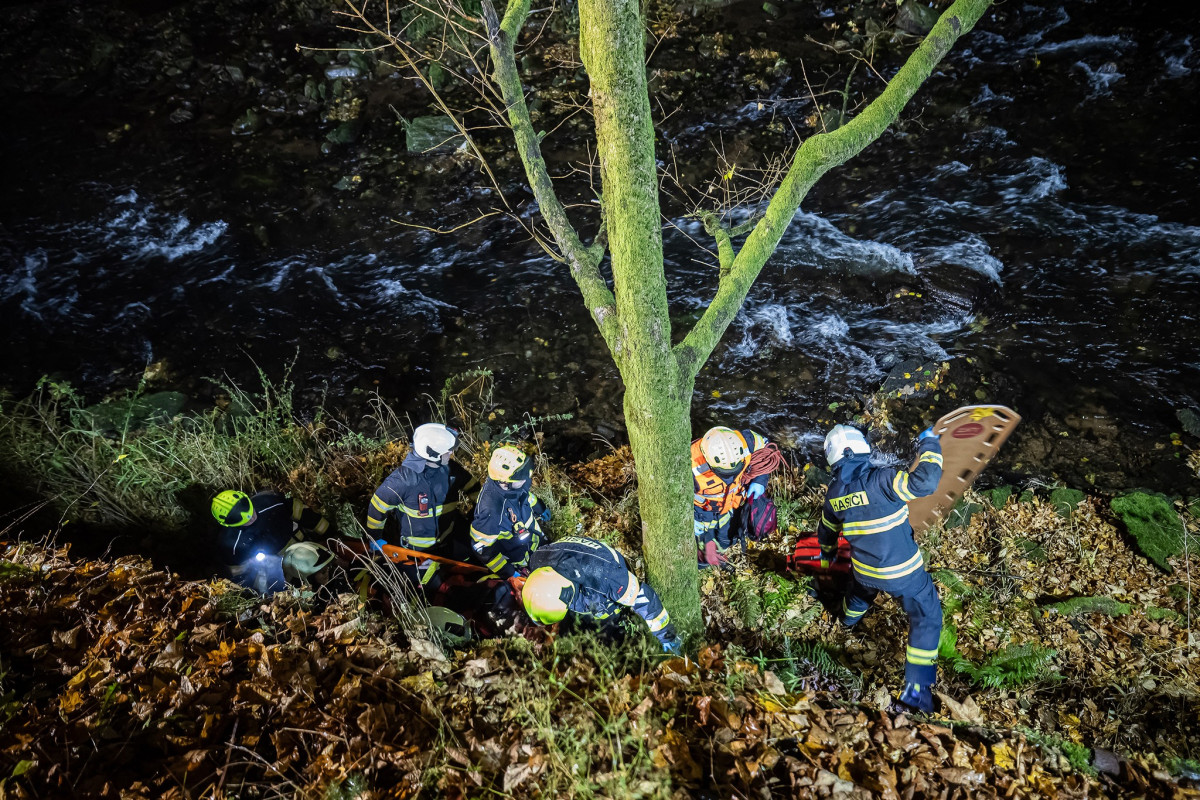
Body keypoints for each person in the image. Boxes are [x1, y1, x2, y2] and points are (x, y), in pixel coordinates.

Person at [816, 424, 944, 713]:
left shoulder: (835, 494)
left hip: (864, 572)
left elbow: (826, 534)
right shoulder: (884, 480)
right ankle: (917, 692)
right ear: (863, 449)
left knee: (859, 595)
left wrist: (827, 562)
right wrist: (930, 444)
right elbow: (925, 483)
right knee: (927, 614)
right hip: (904, 574)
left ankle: (847, 623)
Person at [521, 535, 681, 653]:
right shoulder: (538, 561)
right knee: (575, 626)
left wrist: (667, 635)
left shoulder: (606, 577)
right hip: (578, 573)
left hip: (608, 576)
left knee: (607, 626)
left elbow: (644, 598)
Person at [366, 422, 478, 589]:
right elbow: (377, 507)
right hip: (416, 552)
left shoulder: (452, 471)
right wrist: (375, 538)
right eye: (448, 451)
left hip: (447, 540)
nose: (452, 453)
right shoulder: (402, 480)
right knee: (428, 586)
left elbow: (474, 488)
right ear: (433, 454)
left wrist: (477, 516)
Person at [211, 489, 333, 594]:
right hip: (277, 570)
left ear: (246, 498)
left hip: (305, 545)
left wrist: (330, 534)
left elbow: (305, 515)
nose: (248, 516)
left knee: (323, 567)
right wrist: (254, 595)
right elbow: (239, 577)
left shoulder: (270, 502)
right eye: (236, 517)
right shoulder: (231, 545)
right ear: (227, 524)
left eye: (243, 505)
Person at [691, 425, 774, 566]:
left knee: (727, 538)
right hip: (703, 515)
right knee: (702, 553)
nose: (731, 478)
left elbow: (766, 448)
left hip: (731, 506)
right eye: (725, 474)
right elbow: (688, 509)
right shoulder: (691, 466)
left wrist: (760, 481)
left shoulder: (747, 441)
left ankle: (723, 545)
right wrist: (706, 540)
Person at [470, 445, 548, 590]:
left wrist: (539, 507)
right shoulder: (492, 511)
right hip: (521, 558)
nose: (527, 479)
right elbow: (481, 548)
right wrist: (510, 573)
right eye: (522, 476)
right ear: (505, 482)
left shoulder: (514, 485)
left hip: (537, 542)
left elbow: (524, 496)